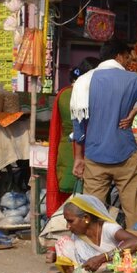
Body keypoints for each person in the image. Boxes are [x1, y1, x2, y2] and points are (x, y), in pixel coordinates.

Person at [71, 39, 137, 229]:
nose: (127, 61)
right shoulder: (131, 79)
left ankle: (92, 250)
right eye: (126, 57)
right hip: (125, 154)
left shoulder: (84, 81)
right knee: (133, 212)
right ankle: (135, 252)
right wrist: (136, 111)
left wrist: (78, 156)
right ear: (118, 56)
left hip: (95, 155)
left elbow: (78, 123)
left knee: (92, 211)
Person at [46, 57, 99, 217]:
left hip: (65, 149)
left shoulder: (63, 94)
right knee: (83, 200)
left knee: (68, 198)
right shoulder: (87, 95)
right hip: (81, 149)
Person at [47, 195, 137, 273]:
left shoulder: (108, 228)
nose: (67, 226)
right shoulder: (77, 236)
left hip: (117, 272)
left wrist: (102, 258)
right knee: (62, 243)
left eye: (70, 221)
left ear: (86, 218)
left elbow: (136, 242)